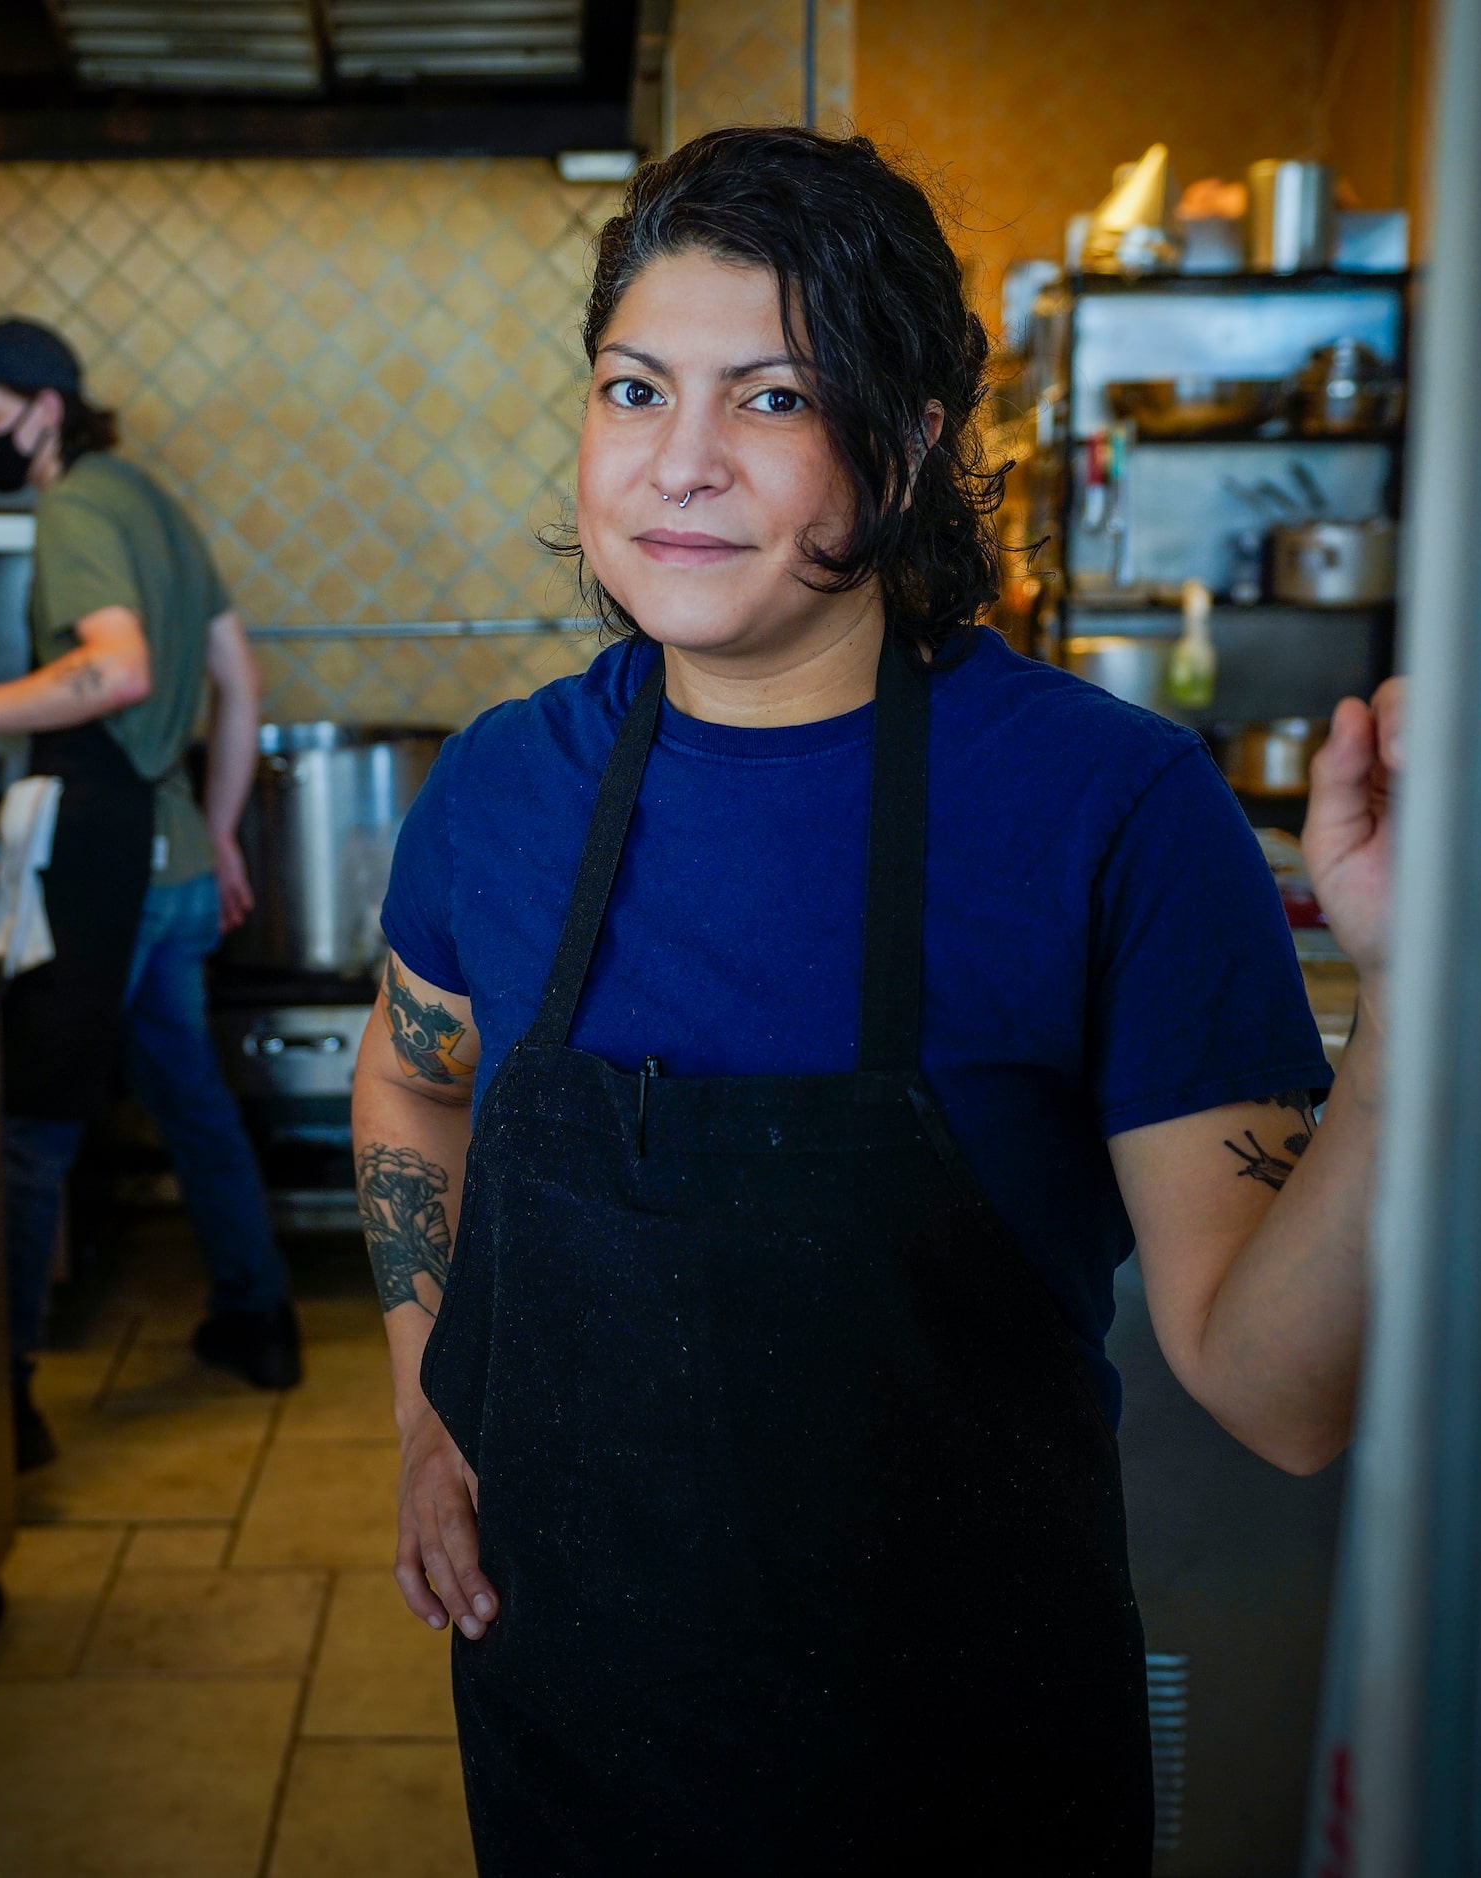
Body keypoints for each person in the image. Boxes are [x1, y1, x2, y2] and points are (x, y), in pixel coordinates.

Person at [353, 128, 1403, 1872]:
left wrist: (1412, 1003)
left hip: (962, 1759)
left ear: (911, 443)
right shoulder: (499, 792)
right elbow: (410, 1083)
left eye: (769, 399)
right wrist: (421, 1401)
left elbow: (1280, 1391)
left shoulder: (1111, 810)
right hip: (578, 1733)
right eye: (633, 388)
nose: (677, 465)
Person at [0, 319, 298, 1472]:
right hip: (166, 853)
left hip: (100, 847)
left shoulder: (71, 511)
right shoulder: (147, 497)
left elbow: (121, 671)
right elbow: (236, 682)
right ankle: (259, 1321)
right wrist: (213, 831)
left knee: (36, 1122)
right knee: (189, 1092)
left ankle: (2, 1394)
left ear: (47, 407)